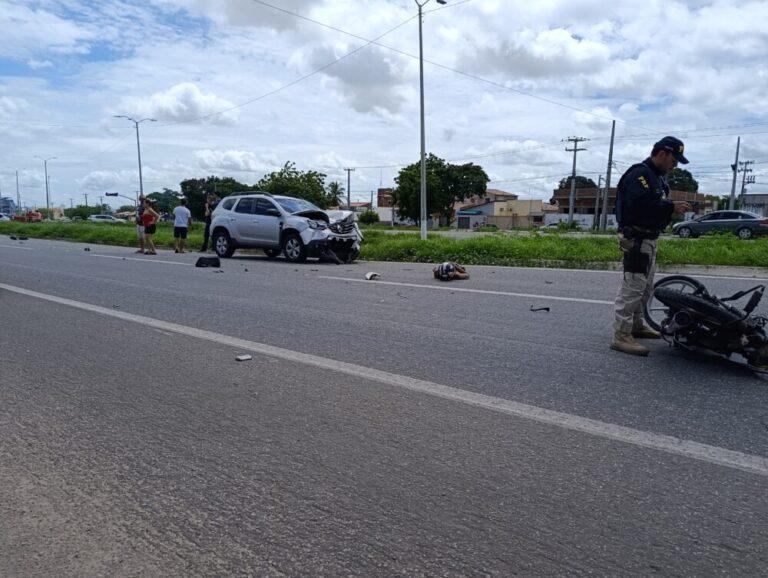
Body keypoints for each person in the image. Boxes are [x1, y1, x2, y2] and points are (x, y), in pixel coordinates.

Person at [611, 136, 693, 356]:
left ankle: (636, 326)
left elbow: (654, 204)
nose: (674, 166)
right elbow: (642, 205)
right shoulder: (640, 175)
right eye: (674, 160)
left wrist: (668, 207)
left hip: (649, 239)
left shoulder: (656, 177)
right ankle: (621, 335)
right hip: (637, 239)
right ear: (662, 154)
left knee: (646, 287)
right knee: (632, 288)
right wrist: (670, 207)